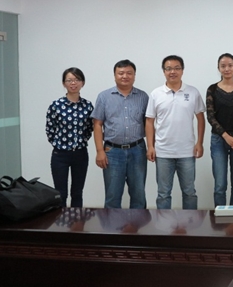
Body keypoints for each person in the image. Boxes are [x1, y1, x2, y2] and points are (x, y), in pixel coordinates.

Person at [146, 55, 206, 210]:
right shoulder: (156, 94)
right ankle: (164, 224)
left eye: (177, 68)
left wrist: (199, 143)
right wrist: (150, 146)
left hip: (187, 151)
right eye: (168, 68)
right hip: (163, 152)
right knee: (163, 194)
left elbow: (201, 118)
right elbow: (149, 121)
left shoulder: (193, 92)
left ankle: (190, 224)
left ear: (182, 70)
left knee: (189, 192)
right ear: (163, 71)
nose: (173, 72)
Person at [92, 59, 149, 209]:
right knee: (112, 195)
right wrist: (99, 151)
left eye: (129, 73)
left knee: (138, 194)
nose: (125, 76)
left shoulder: (143, 97)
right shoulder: (104, 97)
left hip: (137, 150)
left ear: (134, 75)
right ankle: (112, 224)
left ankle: (138, 224)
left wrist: (151, 147)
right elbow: (97, 124)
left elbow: (149, 124)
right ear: (114, 75)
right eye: (121, 73)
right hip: (112, 151)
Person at [45, 67, 94, 207]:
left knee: (77, 192)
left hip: (80, 154)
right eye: (69, 80)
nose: (73, 83)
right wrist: (61, 144)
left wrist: (79, 142)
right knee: (60, 193)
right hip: (60, 155)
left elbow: (89, 129)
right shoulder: (56, 105)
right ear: (64, 83)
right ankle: (61, 220)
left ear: (83, 82)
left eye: (77, 80)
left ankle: (76, 220)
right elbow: (50, 129)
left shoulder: (87, 106)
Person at [206, 53, 233, 207]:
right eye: (223, 66)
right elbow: (210, 117)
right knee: (220, 184)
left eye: (230, 65)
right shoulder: (212, 89)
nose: (227, 69)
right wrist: (225, 136)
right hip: (219, 140)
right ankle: (221, 216)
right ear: (219, 68)